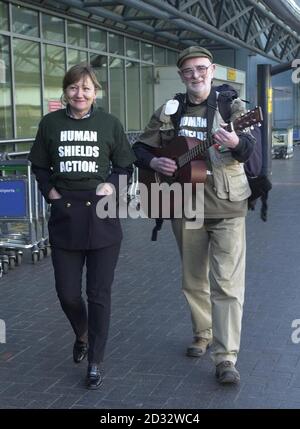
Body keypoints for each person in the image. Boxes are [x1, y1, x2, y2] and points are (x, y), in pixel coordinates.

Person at [133, 46, 255, 384]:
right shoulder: (170, 111)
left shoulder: (235, 107)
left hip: (227, 206)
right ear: (182, 75)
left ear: (212, 70)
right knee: (193, 279)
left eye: (201, 68)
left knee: (228, 284)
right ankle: (203, 332)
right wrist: (154, 161)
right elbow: (140, 147)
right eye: (188, 71)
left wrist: (234, 141)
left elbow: (248, 149)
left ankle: (226, 357)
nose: (195, 75)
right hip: (184, 205)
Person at [29, 63, 135, 390]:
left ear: (95, 92)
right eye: (74, 87)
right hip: (66, 218)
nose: (80, 93)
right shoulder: (50, 124)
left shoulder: (109, 124)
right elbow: (40, 166)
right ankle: (82, 332)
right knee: (68, 293)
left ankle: (95, 361)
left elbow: (125, 164)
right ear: (66, 90)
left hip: (102, 219)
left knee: (99, 294)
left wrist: (113, 185)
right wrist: (51, 193)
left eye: (87, 88)